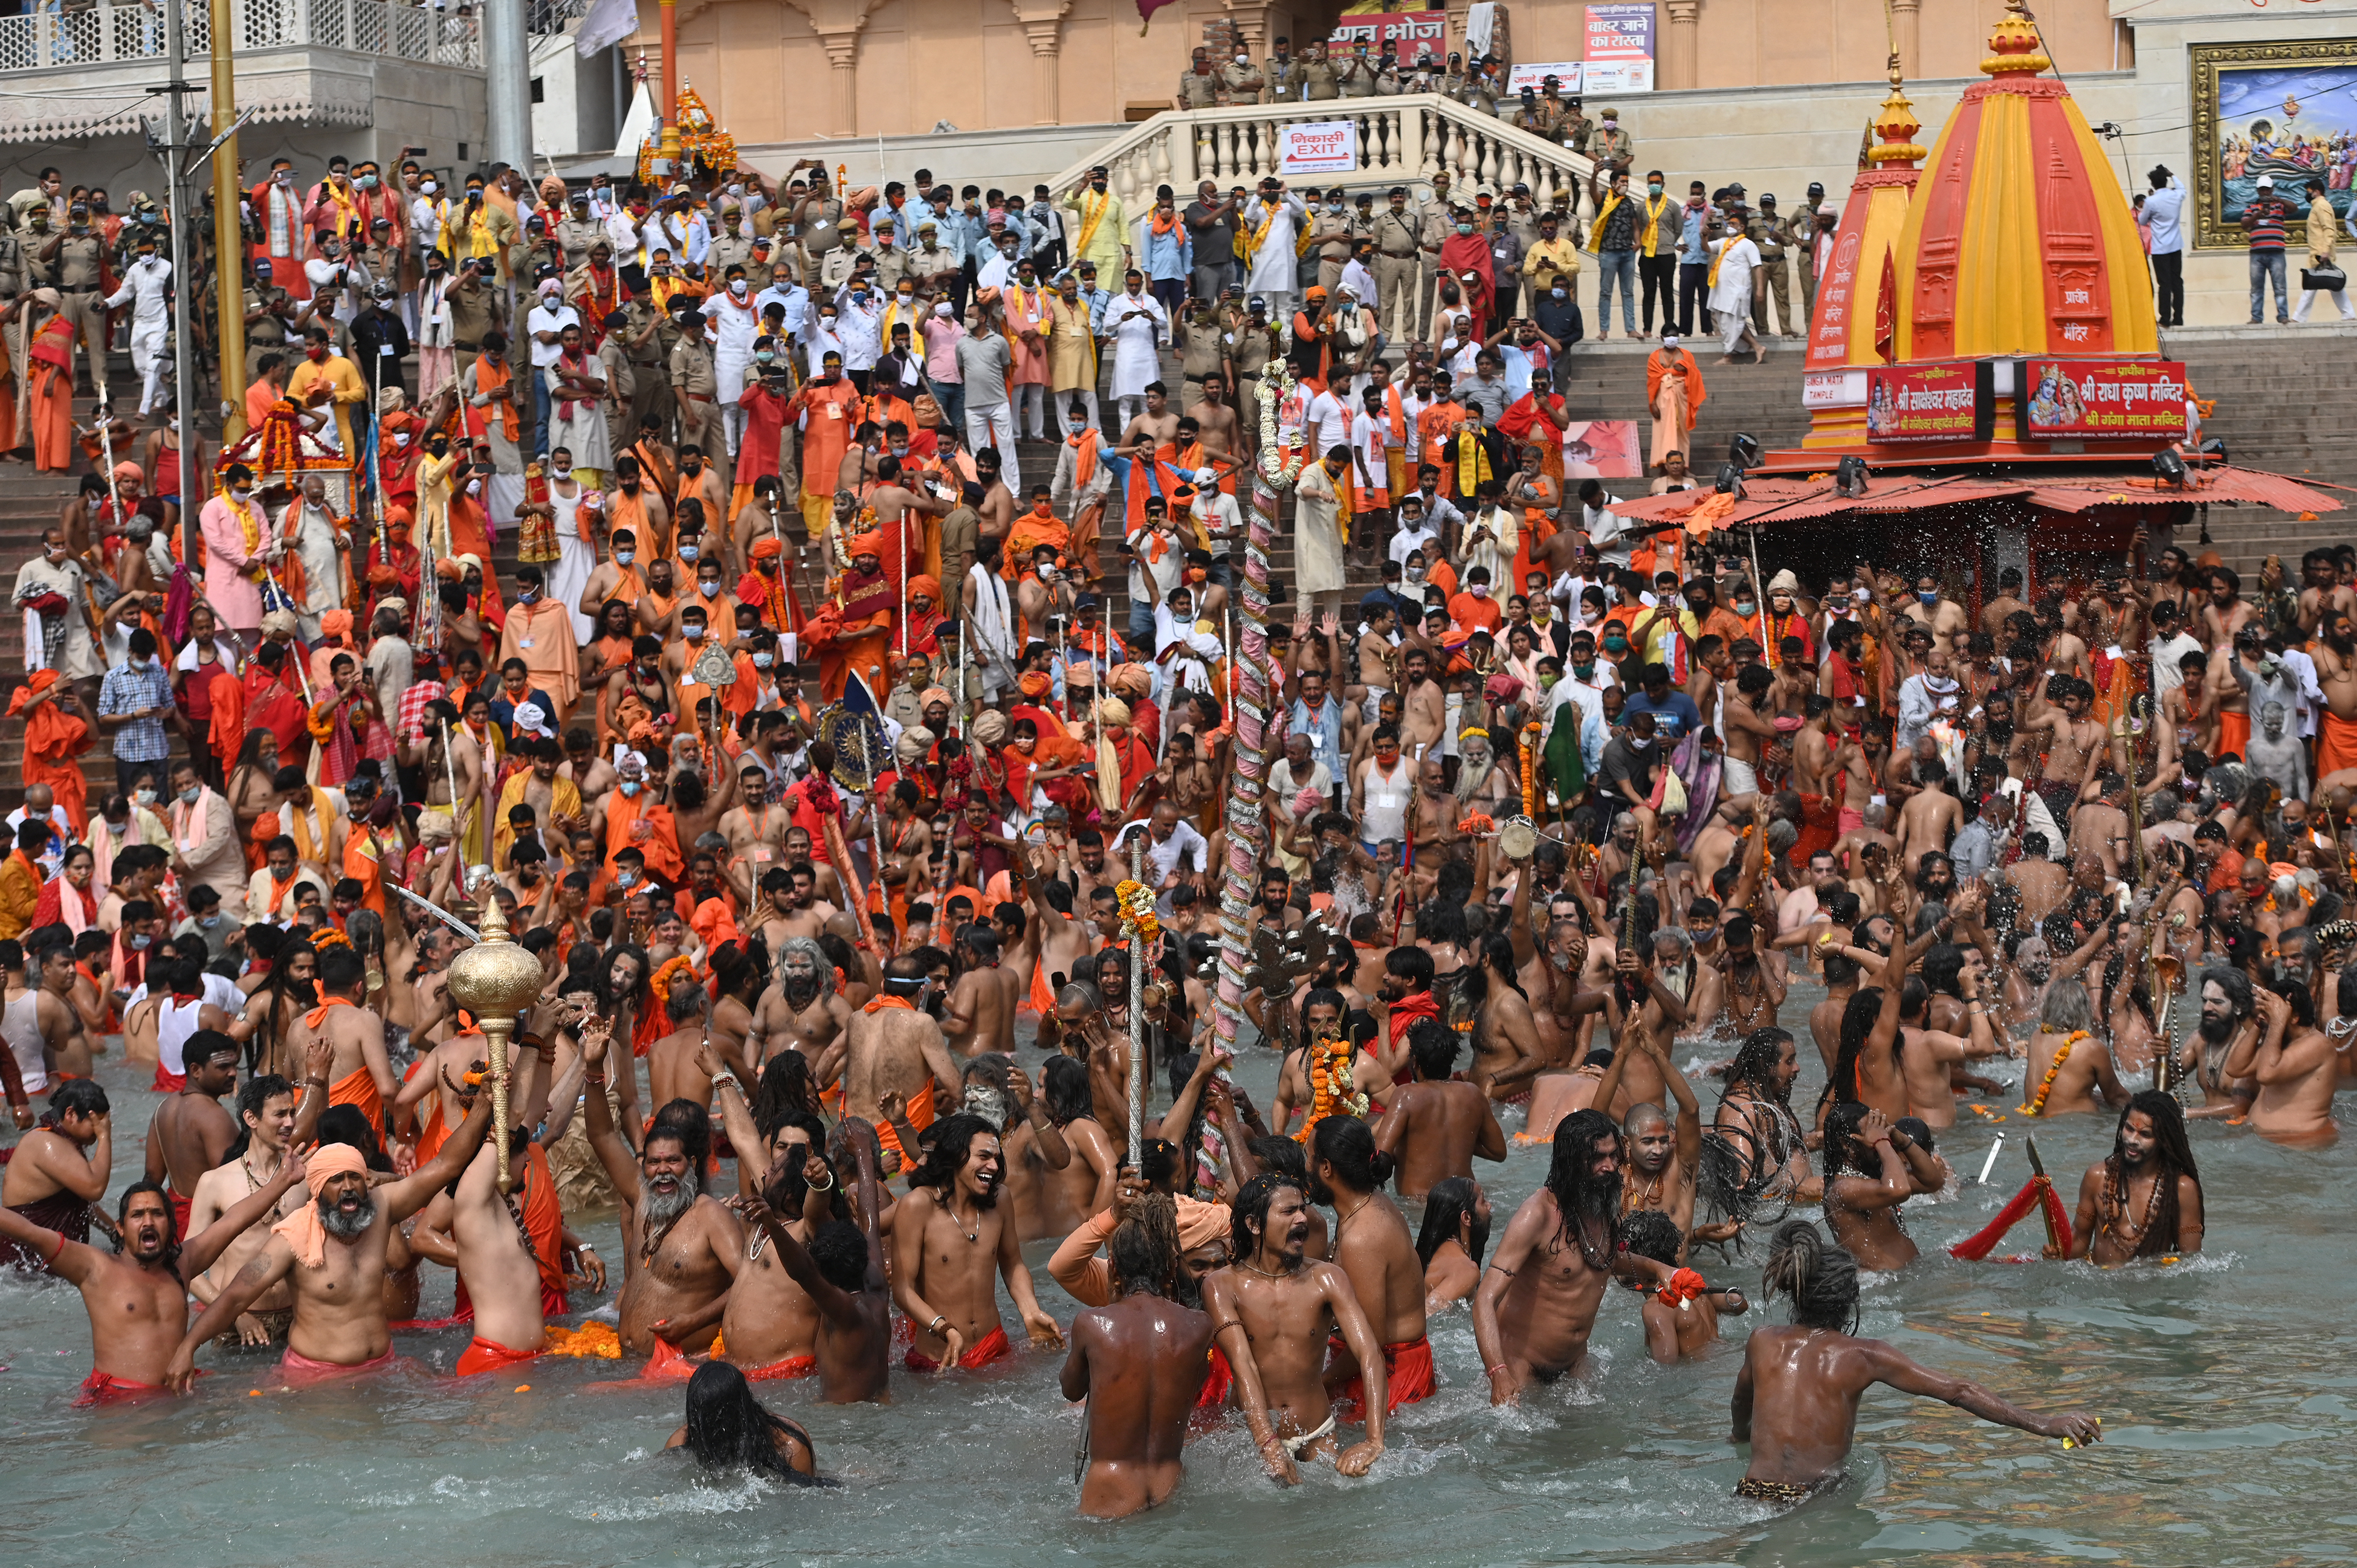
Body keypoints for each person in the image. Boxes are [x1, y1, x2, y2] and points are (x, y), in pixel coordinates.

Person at [1731, 1219, 2101, 1503]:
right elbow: (1958, 1391)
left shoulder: (1762, 1340)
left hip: (1749, 1493)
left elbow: (1740, 1402)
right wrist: (2044, 1423)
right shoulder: (1863, 1356)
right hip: (1813, 1499)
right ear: (1849, 1302)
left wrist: (1740, 1436)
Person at [166, 1094, 492, 1384]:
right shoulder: (292, 1238)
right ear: (318, 1191)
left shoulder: (381, 1207)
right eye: (336, 1181)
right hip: (316, 1380)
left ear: (367, 1182)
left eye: (354, 1178)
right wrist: (187, 1348)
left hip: (382, 1366)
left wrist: (482, 1106)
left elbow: (446, 1165)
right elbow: (235, 1297)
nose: (348, 1187)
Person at [0, 1149, 312, 1401]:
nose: (148, 1222)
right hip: (118, 1402)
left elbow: (233, 1221)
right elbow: (31, 1233)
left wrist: (282, 1182)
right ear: (121, 1229)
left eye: (157, 1214)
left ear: (171, 1225)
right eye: (137, 1215)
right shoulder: (94, 1268)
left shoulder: (183, 1263)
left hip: (178, 1393)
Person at [578, 1016, 746, 1363]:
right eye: (653, 1163)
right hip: (626, 1362)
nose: (662, 1172)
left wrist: (693, 1323)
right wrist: (594, 1068)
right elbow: (602, 1135)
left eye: (673, 1162)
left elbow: (750, 1282)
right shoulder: (640, 1197)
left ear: (694, 1163)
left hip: (679, 1371)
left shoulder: (712, 1217)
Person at [1471, 1110, 1669, 1401]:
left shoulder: (1604, 1203)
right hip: (1520, 1365)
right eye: (1597, 1158)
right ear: (1571, 1162)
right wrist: (1498, 1373)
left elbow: (1604, 1260)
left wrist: (1662, 1270)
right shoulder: (1535, 1216)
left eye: (1614, 1156)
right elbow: (1484, 1301)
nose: (1610, 1167)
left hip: (1576, 1364)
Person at [1201, 1172, 1387, 1482]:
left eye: (1302, 1208)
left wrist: (1373, 1440)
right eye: (1289, 1211)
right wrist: (1267, 1442)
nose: (1303, 1218)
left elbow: (1369, 1353)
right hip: (1250, 1437)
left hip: (1318, 1432)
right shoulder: (1221, 1285)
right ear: (1255, 1225)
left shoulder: (1328, 1278)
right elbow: (1243, 1364)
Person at [1059, 1187, 1215, 1518]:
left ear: (1113, 1268)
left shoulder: (1093, 1324)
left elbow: (1071, 1390)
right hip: (1171, 1491)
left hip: (1109, 1497)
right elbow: (1196, 1385)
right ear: (1172, 1269)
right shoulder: (1200, 1326)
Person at [891, 1111, 1064, 1370]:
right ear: (956, 1156)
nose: (994, 1167)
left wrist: (1030, 1311)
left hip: (994, 1348)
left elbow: (1013, 1265)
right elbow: (902, 1290)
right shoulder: (917, 1205)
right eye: (983, 1157)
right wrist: (944, 1328)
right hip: (938, 1360)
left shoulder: (1001, 1199)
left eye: (996, 1158)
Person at [2057, 1091, 2205, 1264]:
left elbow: (2191, 1261)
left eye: (2145, 1134)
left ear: (2164, 1140)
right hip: (2100, 1280)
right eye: (2129, 1129)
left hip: (2150, 1285)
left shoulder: (2182, 1189)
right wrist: (2057, 1253)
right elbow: (2080, 1239)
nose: (2132, 1139)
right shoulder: (2097, 1177)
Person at [1372, 1017, 1506, 1198]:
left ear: (1415, 1062)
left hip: (1420, 1205)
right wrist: (1459, 1140)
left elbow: (1381, 1161)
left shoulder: (1406, 1095)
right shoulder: (1474, 1094)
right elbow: (1498, 1151)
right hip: (1467, 1200)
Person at [667, 1360, 818, 1482]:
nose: (718, 1429)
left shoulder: (791, 1448)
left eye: (721, 1420)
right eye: (711, 1423)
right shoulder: (680, 1445)